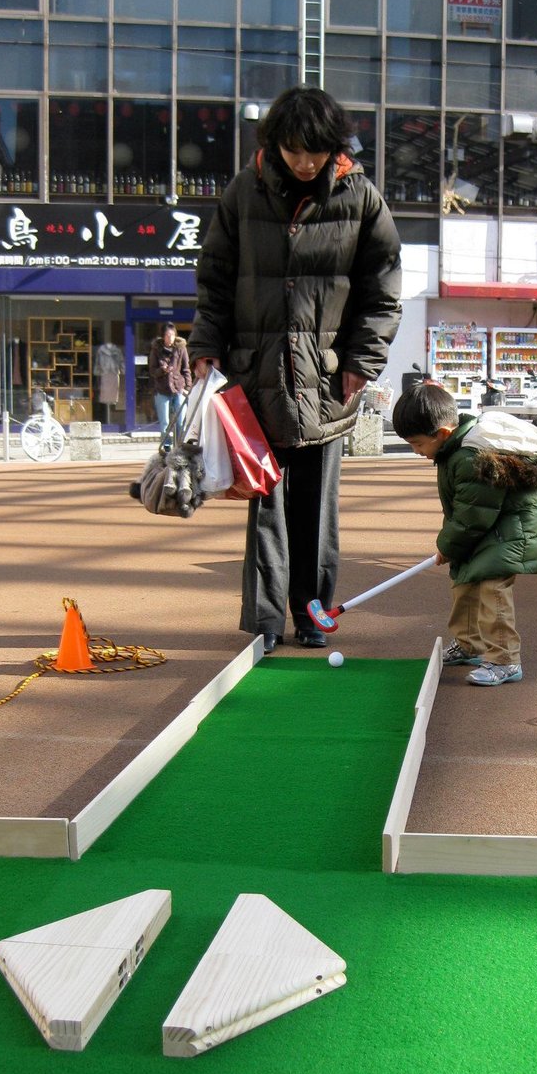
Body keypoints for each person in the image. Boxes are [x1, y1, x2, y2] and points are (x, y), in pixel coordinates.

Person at [188, 85, 402, 653]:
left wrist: (362, 362)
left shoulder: (360, 197)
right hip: (255, 378)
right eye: (293, 151)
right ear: (274, 145)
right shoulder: (243, 191)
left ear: (335, 148)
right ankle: (264, 621)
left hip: (329, 380)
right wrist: (205, 344)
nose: (304, 163)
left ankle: (311, 614)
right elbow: (214, 278)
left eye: (315, 152)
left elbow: (383, 289)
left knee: (315, 508)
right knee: (265, 501)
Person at [391, 382, 537, 687]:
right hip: (486, 529)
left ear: (442, 433)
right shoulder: (452, 450)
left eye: (417, 444)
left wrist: (448, 546)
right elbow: (467, 511)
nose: (416, 452)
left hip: (509, 531)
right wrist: (453, 546)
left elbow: (473, 515)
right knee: (464, 582)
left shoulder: (470, 457)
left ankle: (505, 659)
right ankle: (468, 644)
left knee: (491, 590)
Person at [148, 322, 191, 450]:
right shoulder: (156, 349)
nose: (170, 338)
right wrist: (163, 370)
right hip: (162, 389)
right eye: (167, 335)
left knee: (181, 420)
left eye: (172, 335)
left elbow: (186, 369)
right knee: (165, 422)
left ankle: (180, 446)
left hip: (178, 388)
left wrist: (188, 388)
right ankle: (167, 447)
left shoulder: (181, 348)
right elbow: (152, 370)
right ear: (163, 336)